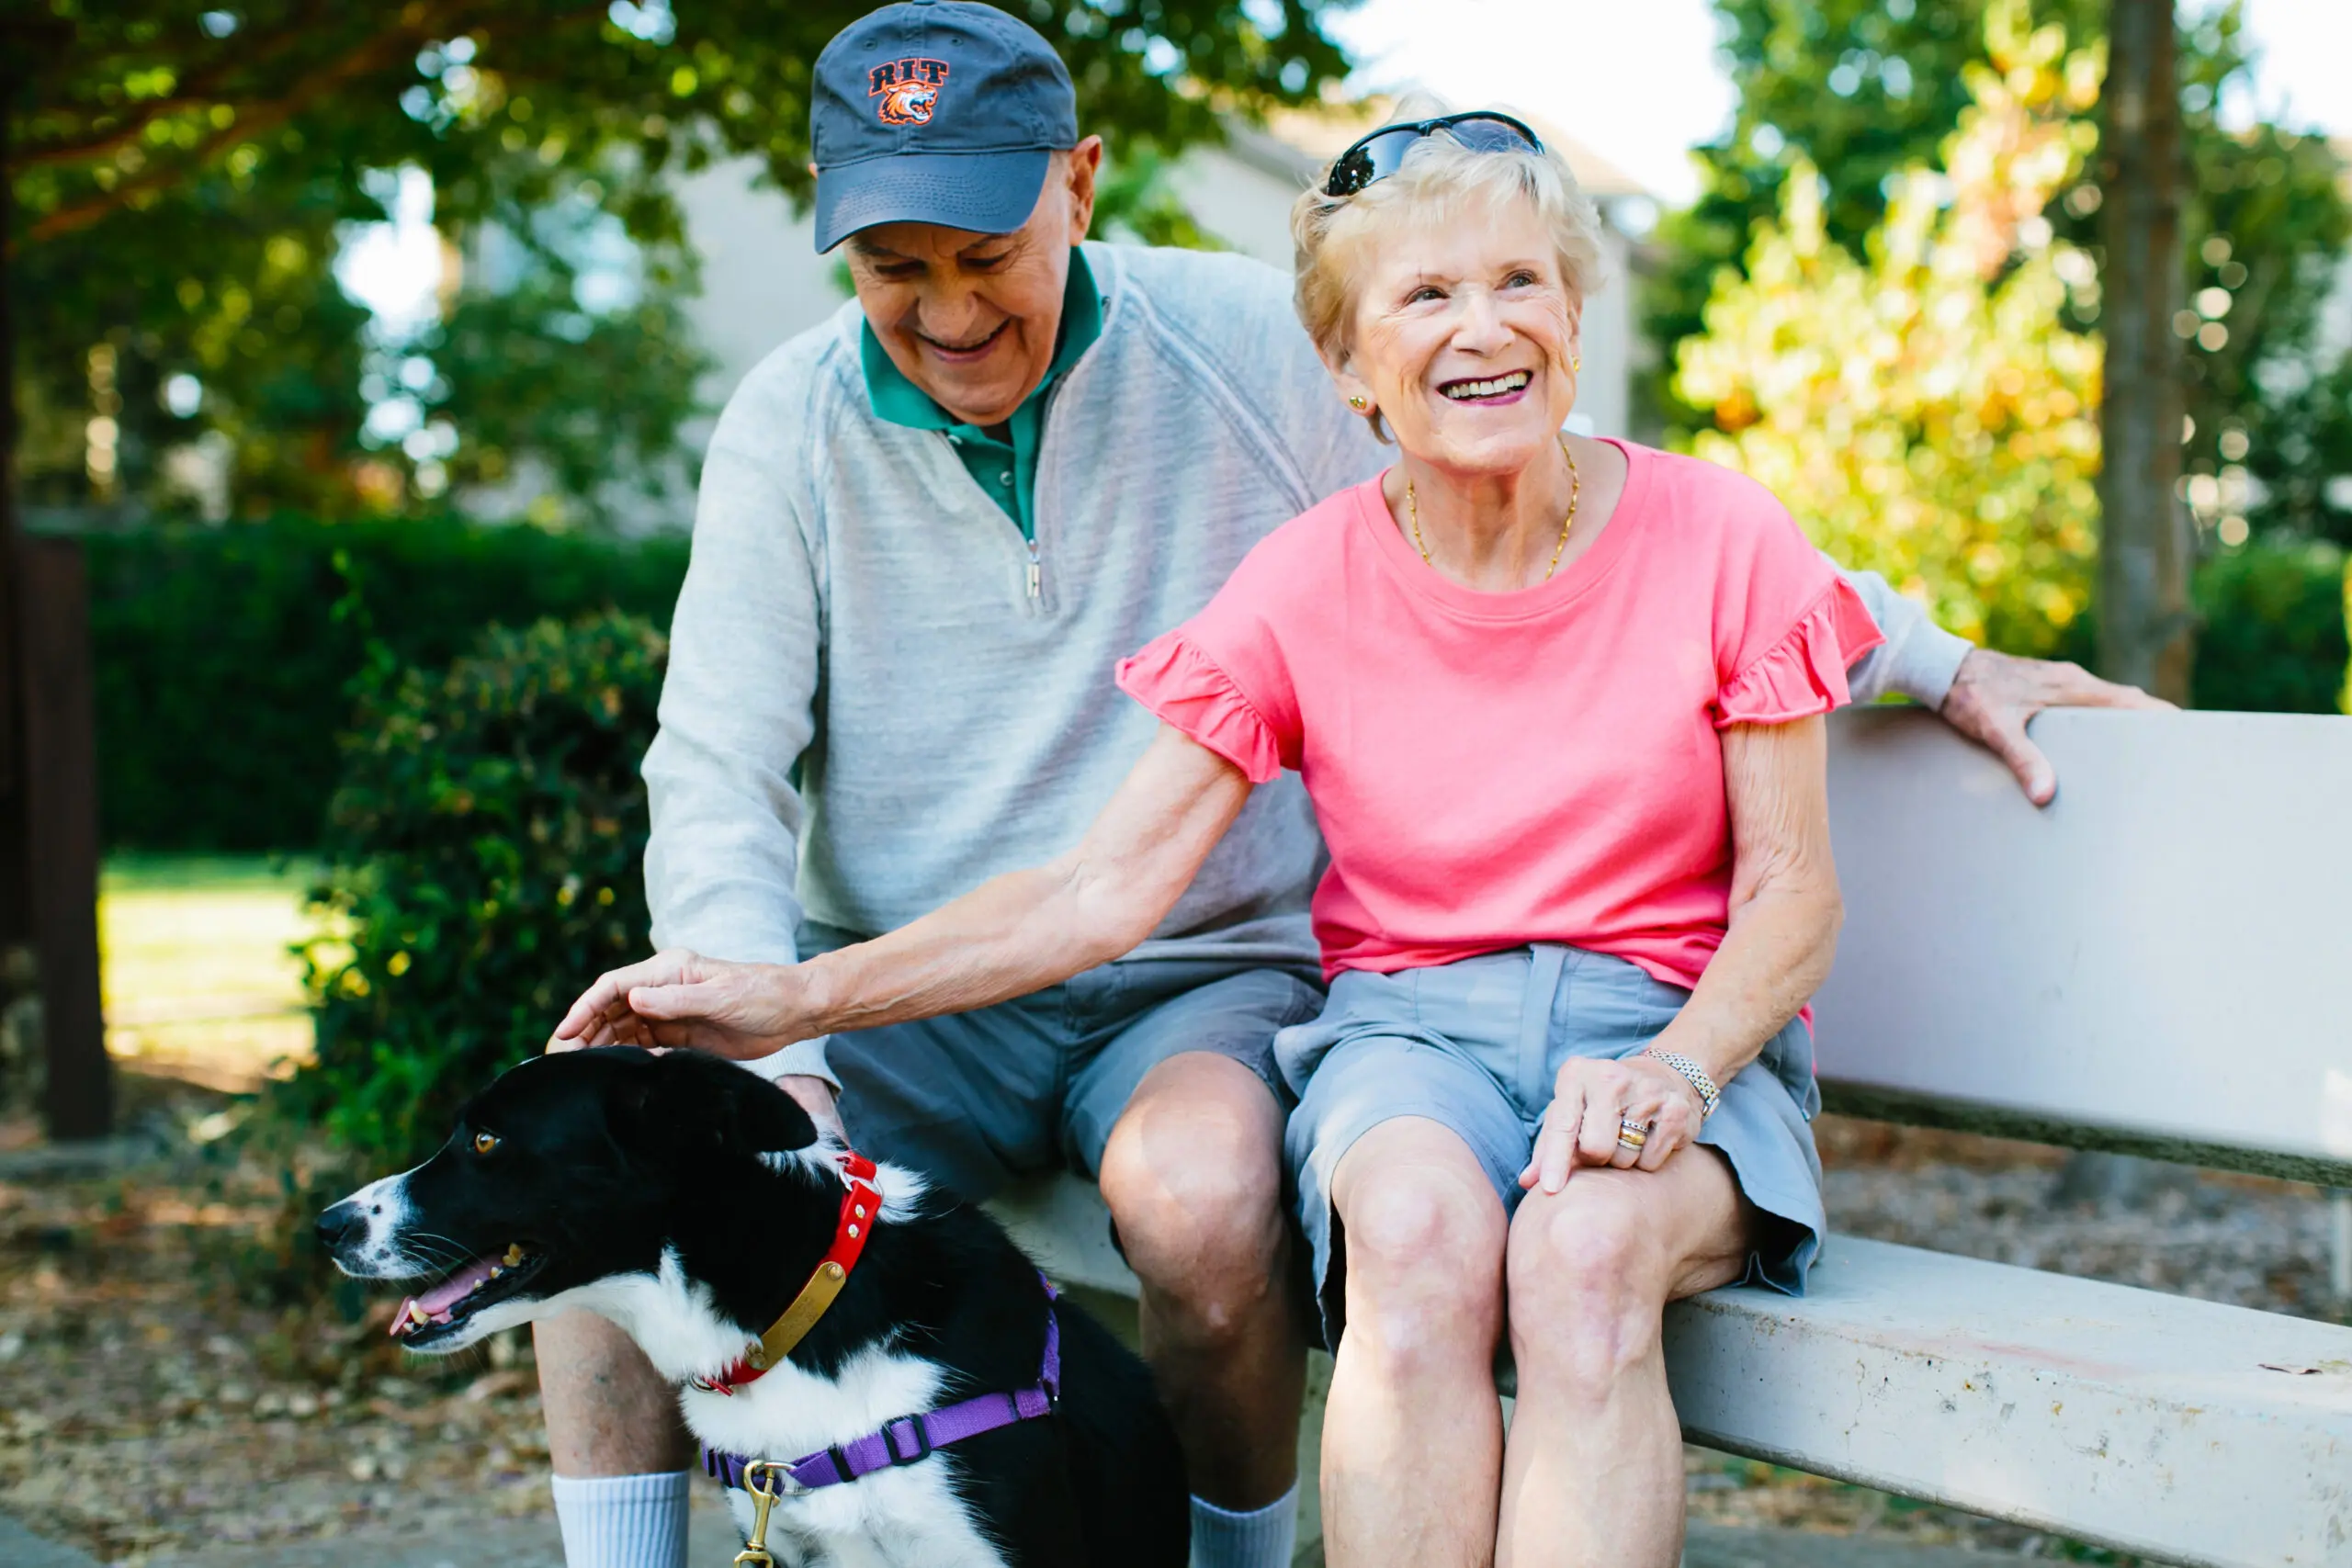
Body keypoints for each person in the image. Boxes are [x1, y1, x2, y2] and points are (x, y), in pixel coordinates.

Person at [536, 7, 2161, 1567]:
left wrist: (1941, 658)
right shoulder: (803, 431)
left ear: (1078, 187)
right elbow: (729, 772)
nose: (952, 311)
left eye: (989, 257)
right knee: (594, 1154)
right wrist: (783, 1030)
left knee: (1284, 1210)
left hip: (1217, 980)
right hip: (951, 985)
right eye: (901, 270)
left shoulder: (1262, 341)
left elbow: (1606, 514)